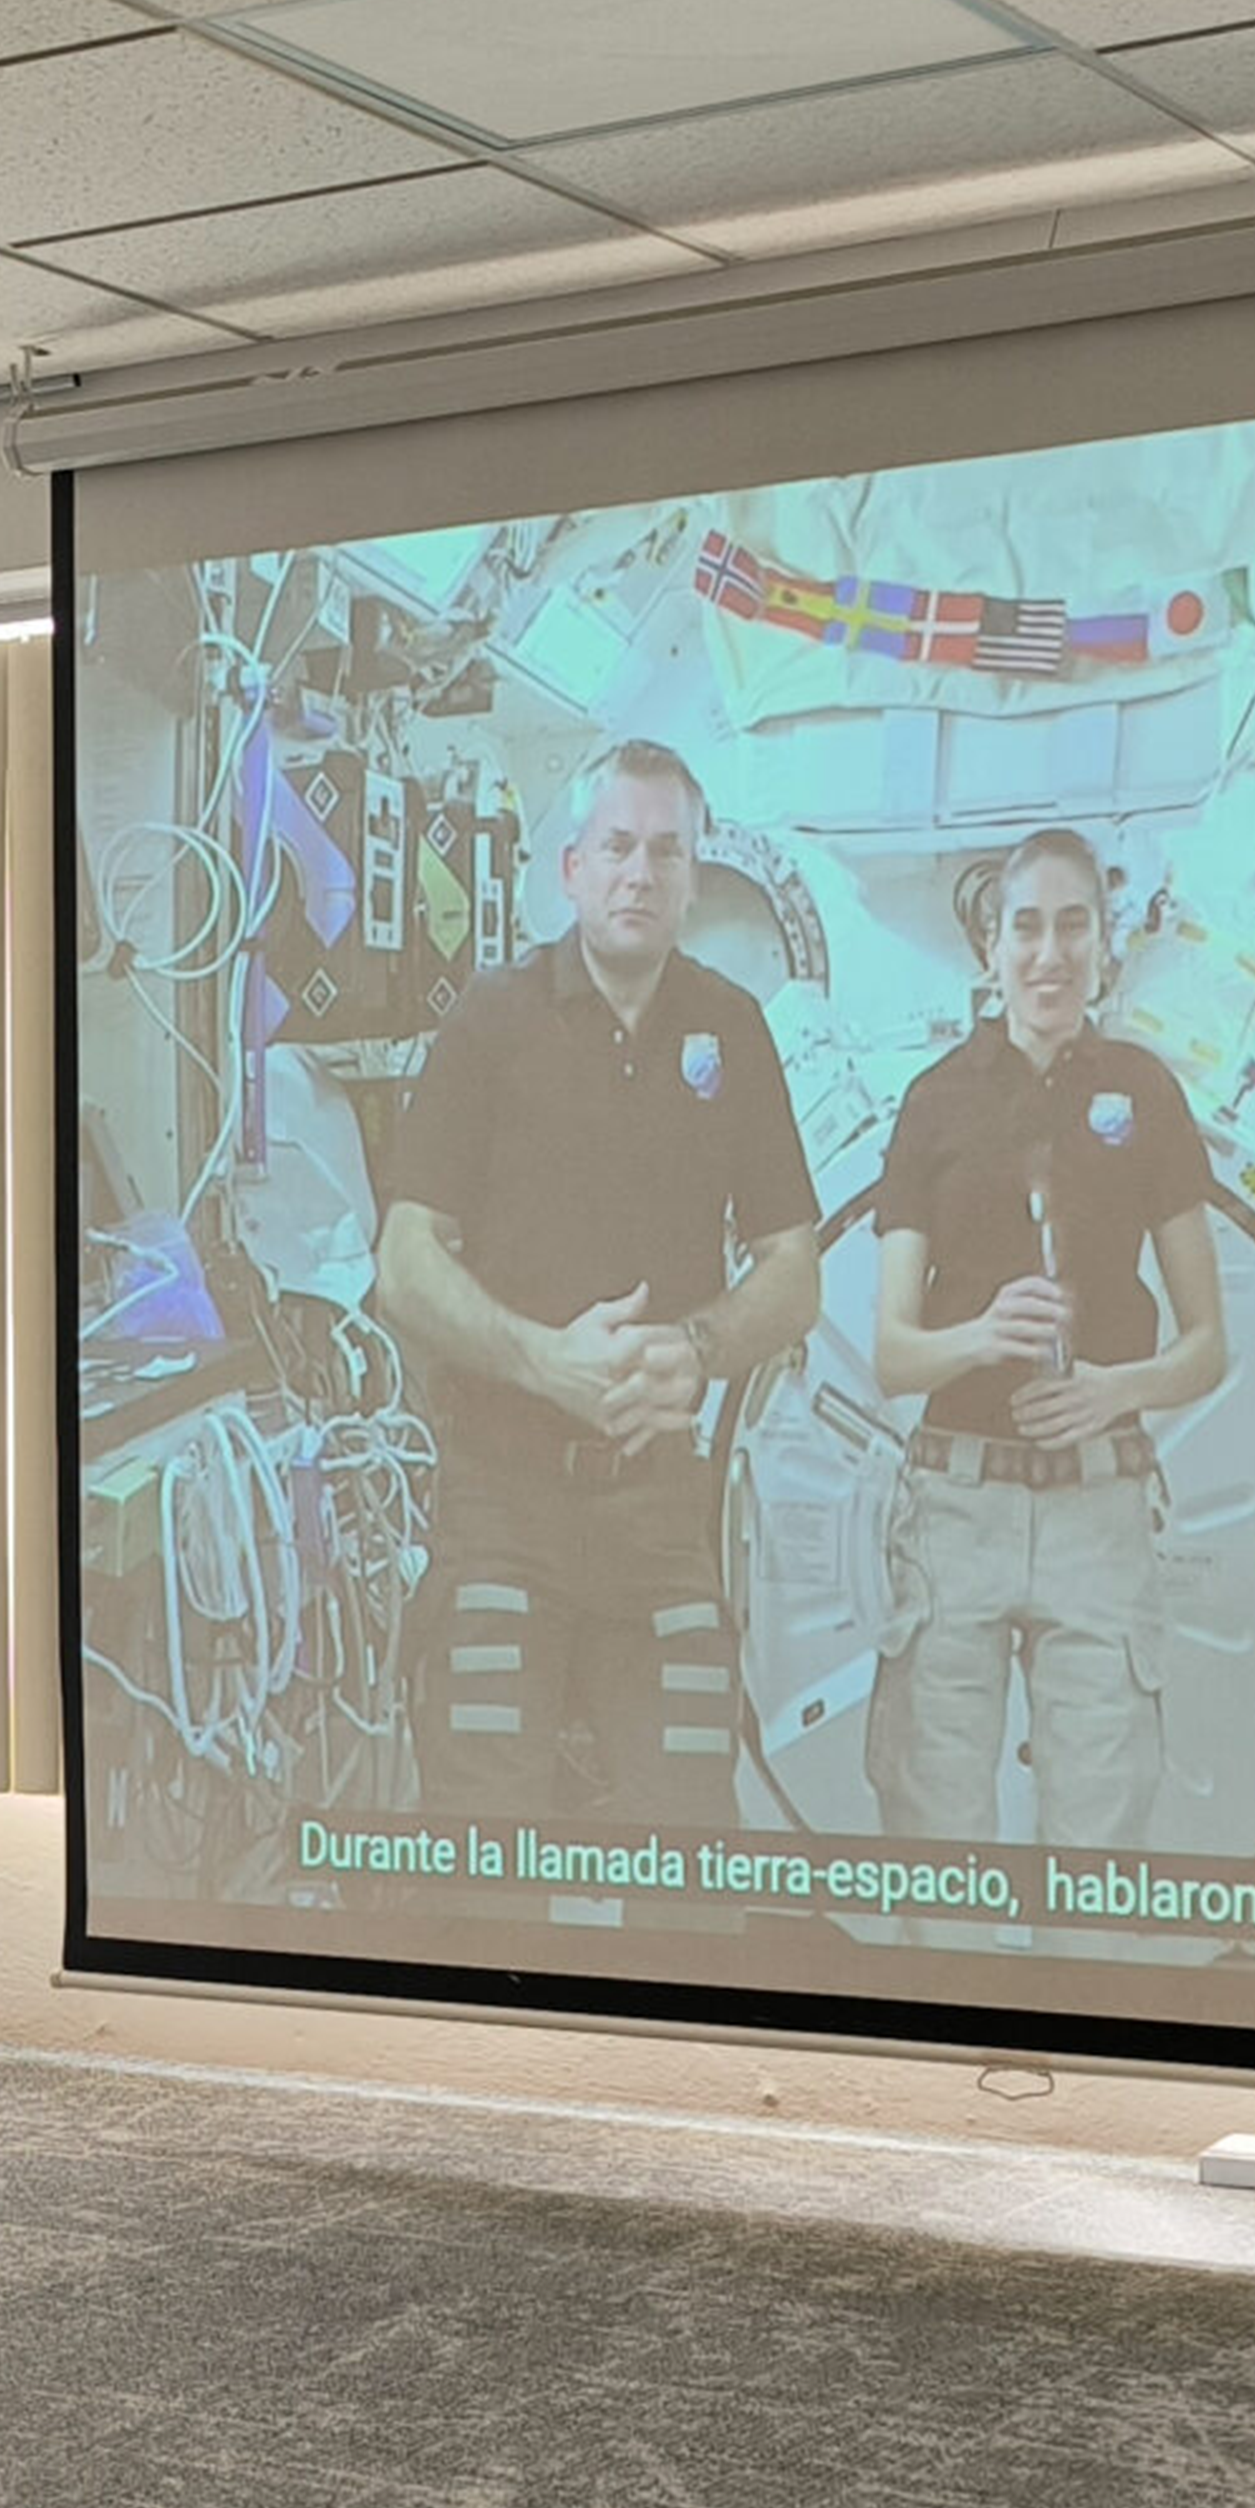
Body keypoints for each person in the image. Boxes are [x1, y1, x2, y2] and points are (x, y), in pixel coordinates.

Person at [368, 739, 824, 1853]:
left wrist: (699, 1346)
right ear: (569, 868)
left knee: (687, 1849)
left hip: (658, 1510)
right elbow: (404, 1264)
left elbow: (796, 1269)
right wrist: (541, 1359)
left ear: (693, 877)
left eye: (666, 851)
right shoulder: (493, 1021)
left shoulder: (733, 1030)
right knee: (482, 1854)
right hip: (502, 1504)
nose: (640, 872)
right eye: (617, 846)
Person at [865, 826, 1225, 1850]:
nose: (1049, 953)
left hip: (1096, 1510)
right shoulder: (934, 1103)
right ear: (992, 948)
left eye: (1074, 927)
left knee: (1098, 1857)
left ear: (1105, 945)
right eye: (1027, 928)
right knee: (937, 1853)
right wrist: (981, 1333)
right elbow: (894, 1354)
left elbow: (1208, 1346)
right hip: (956, 1510)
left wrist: (1117, 1388)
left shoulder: (1147, 1095)